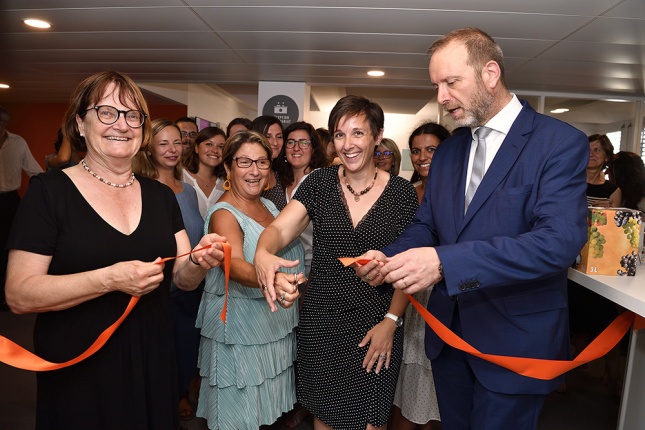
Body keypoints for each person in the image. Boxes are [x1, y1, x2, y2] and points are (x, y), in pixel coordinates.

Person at [353, 28, 588, 430]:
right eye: (436, 85)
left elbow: (557, 243)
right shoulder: (448, 152)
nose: (441, 98)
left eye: (451, 82)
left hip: (514, 340)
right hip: (449, 338)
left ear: (490, 73)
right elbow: (428, 226)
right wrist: (391, 257)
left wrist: (444, 264)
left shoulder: (558, 143)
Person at [5, 71, 226, 430]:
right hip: (80, 363)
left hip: (152, 356)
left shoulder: (159, 196)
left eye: (132, 114)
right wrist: (110, 279)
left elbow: (183, 280)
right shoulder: (49, 193)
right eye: (106, 112)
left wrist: (200, 260)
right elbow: (19, 294)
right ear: (80, 122)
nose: (121, 124)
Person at [254, 95, 418, 430]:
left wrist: (391, 321)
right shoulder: (319, 184)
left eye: (358, 133)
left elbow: (409, 266)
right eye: (340, 135)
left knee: (372, 421)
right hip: (322, 322)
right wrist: (263, 253)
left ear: (377, 135)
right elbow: (280, 229)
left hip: (378, 324)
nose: (348, 144)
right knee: (325, 418)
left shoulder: (402, 194)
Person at [195, 130, 305, 429]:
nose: (254, 171)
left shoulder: (269, 206)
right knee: (236, 417)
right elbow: (236, 266)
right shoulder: (224, 214)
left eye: (262, 162)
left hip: (272, 330)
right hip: (241, 333)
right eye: (244, 162)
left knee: (263, 416)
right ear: (228, 167)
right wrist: (273, 277)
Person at [132, 118, 205, 421]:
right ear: (148, 147)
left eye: (177, 142)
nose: (173, 149)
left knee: (186, 353)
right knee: (158, 359)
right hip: (155, 291)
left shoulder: (188, 191)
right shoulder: (140, 189)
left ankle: (177, 398)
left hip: (191, 286)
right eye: (163, 143)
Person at [390, 122, 450, 430]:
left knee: (438, 383)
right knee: (408, 380)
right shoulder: (406, 194)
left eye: (431, 149)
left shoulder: (459, 195)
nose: (422, 156)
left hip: (446, 295)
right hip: (408, 296)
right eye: (416, 150)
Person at [0, 105, 44, 310]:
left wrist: (34, 201)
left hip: (9, 201)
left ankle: (5, 295)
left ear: (4, 124)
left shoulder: (18, 142)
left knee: (9, 248)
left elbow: (36, 172)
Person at [275, 121, 329, 276]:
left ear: (313, 149)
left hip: (314, 266)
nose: (296, 148)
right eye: (291, 142)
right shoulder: (280, 182)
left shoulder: (320, 181)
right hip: (284, 263)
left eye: (303, 143)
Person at [182, 126, 227, 219]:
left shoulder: (226, 183)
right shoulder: (180, 177)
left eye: (220, 146)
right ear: (196, 148)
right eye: (209, 144)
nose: (215, 150)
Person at [251, 115, 287, 209]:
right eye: (268, 136)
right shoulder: (250, 172)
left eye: (279, 137)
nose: (275, 142)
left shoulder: (279, 173)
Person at [586, 134, 621, 207]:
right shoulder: (570, 182)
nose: (590, 154)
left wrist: (608, 211)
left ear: (607, 157)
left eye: (596, 150)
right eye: (587, 150)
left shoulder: (613, 191)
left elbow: (613, 218)